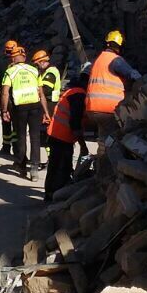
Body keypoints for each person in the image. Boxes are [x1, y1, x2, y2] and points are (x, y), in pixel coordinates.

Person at [1, 39, 47, 179]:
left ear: (13, 58)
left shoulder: (10, 71)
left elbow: (5, 93)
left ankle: (21, 166)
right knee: (35, 137)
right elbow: (41, 93)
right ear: (25, 57)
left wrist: (4, 111)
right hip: (35, 106)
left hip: (19, 108)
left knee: (20, 136)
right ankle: (34, 169)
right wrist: (46, 112)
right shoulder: (34, 70)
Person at [85, 31, 142, 139]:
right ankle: (112, 155)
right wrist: (145, 81)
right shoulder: (115, 60)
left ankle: (102, 154)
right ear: (120, 46)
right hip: (108, 108)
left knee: (104, 137)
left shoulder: (99, 59)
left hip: (93, 108)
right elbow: (133, 75)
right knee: (115, 138)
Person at [44, 69, 89, 200]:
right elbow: (75, 122)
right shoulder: (79, 95)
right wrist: (83, 145)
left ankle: (49, 194)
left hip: (56, 134)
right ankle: (57, 197)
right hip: (63, 137)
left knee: (54, 167)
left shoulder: (73, 91)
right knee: (62, 169)